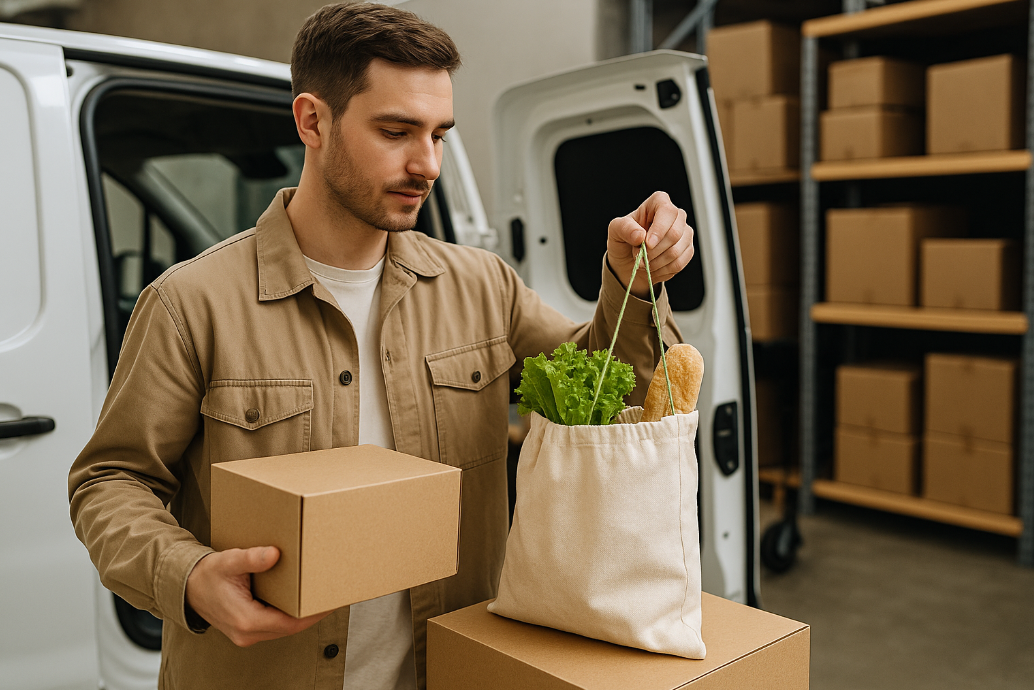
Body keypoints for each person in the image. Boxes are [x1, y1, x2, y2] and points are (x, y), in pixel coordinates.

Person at [68, 3, 696, 689]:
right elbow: (111, 482)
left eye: (439, 135)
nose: (427, 164)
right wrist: (189, 576)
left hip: (449, 672)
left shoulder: (483, 286)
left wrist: (633, 283)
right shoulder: (192, 302)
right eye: (396, 132)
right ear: (312, 121)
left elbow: (610, 397)